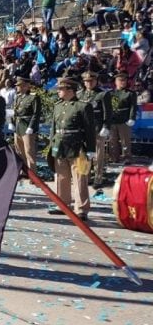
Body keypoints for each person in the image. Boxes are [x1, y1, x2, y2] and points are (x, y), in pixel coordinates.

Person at [48, 77, 95, 221]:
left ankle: (81, 208)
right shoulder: (58, 105)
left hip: (76, 146)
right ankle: (63, 205)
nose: (59, 92)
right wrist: (52, 144)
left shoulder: (82, 106)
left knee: (80, 177)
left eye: (61, 89)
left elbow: (89, 129)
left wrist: (91, 149)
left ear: (70, 90)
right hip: (60, 145)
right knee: (61, 177)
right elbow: (53, 128)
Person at [78, 71, 112, 192]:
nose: (89, 83)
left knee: (98, 155)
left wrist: (106, 127)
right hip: (84, 129)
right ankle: (86, 177)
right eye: (86, 81)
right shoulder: (80, 94)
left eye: (91, 81)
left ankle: (98, 178)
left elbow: (108, 112)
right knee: (85, 154)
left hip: (97, 128)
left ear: (96, 81)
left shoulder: (102, 94)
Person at [12, 77, 41, 173]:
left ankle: (33, 175)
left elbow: (36, 113)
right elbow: (15, 112)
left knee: (29, 152)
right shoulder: (18, 97)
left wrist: (31, 127)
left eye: (19, 86)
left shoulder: (33, 97)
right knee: (19, 152)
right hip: (18, 126)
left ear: (25, 86)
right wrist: (12, 122)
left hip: (27, 126)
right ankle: (23, 172)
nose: (17, 87)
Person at [108, 72, 138, 164]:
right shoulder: (110, 93)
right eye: (120, 80)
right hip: (113, 120)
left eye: (124, 80)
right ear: (115, 82)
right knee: (113, 140)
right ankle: (114, 157)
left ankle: (127, 157)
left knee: (125, 140)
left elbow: (133, 107)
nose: (123, 82)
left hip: (124, 120)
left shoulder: (130, 94)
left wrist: (131, 118)